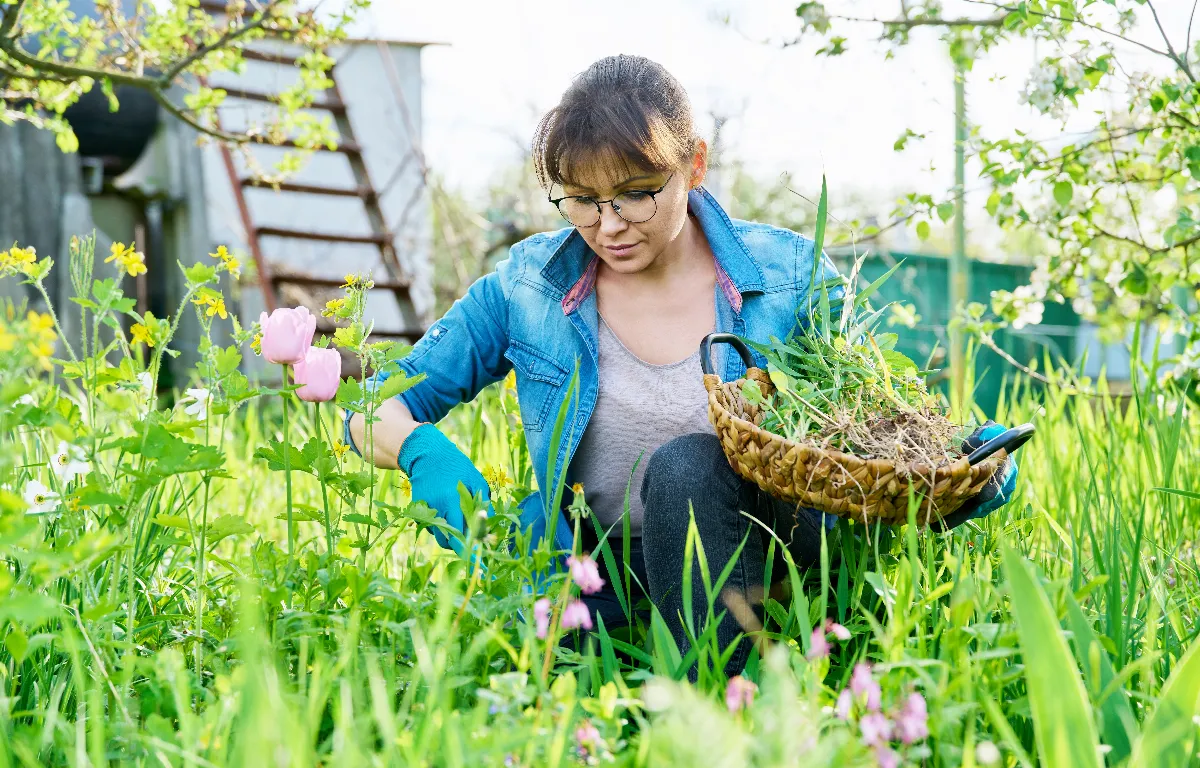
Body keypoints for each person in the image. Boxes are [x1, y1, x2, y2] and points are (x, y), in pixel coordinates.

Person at [344, 54, 1018, 678]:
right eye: (581, 199)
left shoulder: (789, 278)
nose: (608, 225)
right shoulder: (529, 287)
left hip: (766, 564)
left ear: (693, 165)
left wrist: (956, 467)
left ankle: (716, 702)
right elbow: (374, 405)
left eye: (635, 193)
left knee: (688, 466)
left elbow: (866, 422)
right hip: (595, 572)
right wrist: (421, 451)